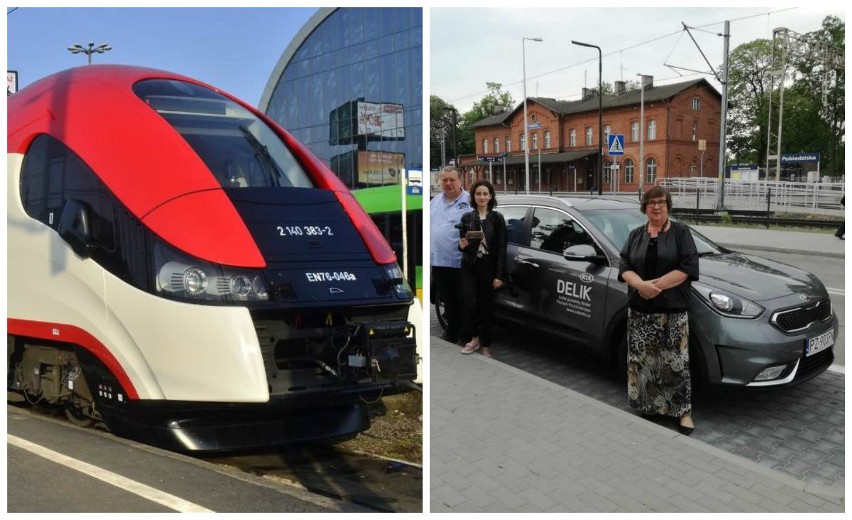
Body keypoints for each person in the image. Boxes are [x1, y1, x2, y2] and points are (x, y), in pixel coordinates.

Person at [618, 186, 699, 435]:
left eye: (661, 202)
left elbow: (688, 266)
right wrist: (640, 285)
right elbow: (624, 264)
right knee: (643, 362)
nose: (656, 206)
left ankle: (683, 412)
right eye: (651, 202)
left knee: (676, 363)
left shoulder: (681, 232)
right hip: (640, 312)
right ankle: (649, 406)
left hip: (672, 312)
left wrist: (655, 287)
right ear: (644, 207)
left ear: (668, 206)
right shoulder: (635, 235)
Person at [457, 179, 507, 358]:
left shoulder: (497, 218)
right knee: (470, 305)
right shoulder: (467, 217)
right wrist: (461, 244)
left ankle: (486, 345)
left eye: (485, 194)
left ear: (491, 196)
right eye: (478, 194)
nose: (482, 197)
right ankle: (474, 339)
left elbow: (502, 248)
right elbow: (462, 244)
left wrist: (499, 275)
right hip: (469, 266)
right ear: (473, 196)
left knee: (486, 307)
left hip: (488, 267)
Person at [430, 166, 471, 345]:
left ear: (460, 181)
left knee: (463, 301)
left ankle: (465, 335)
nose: (448, 183)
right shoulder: (435, 200)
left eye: (451, 180)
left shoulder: (470, 201)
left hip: (460, 261)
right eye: (444, 180)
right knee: (447, 301)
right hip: (439, 261)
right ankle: (451, 332)